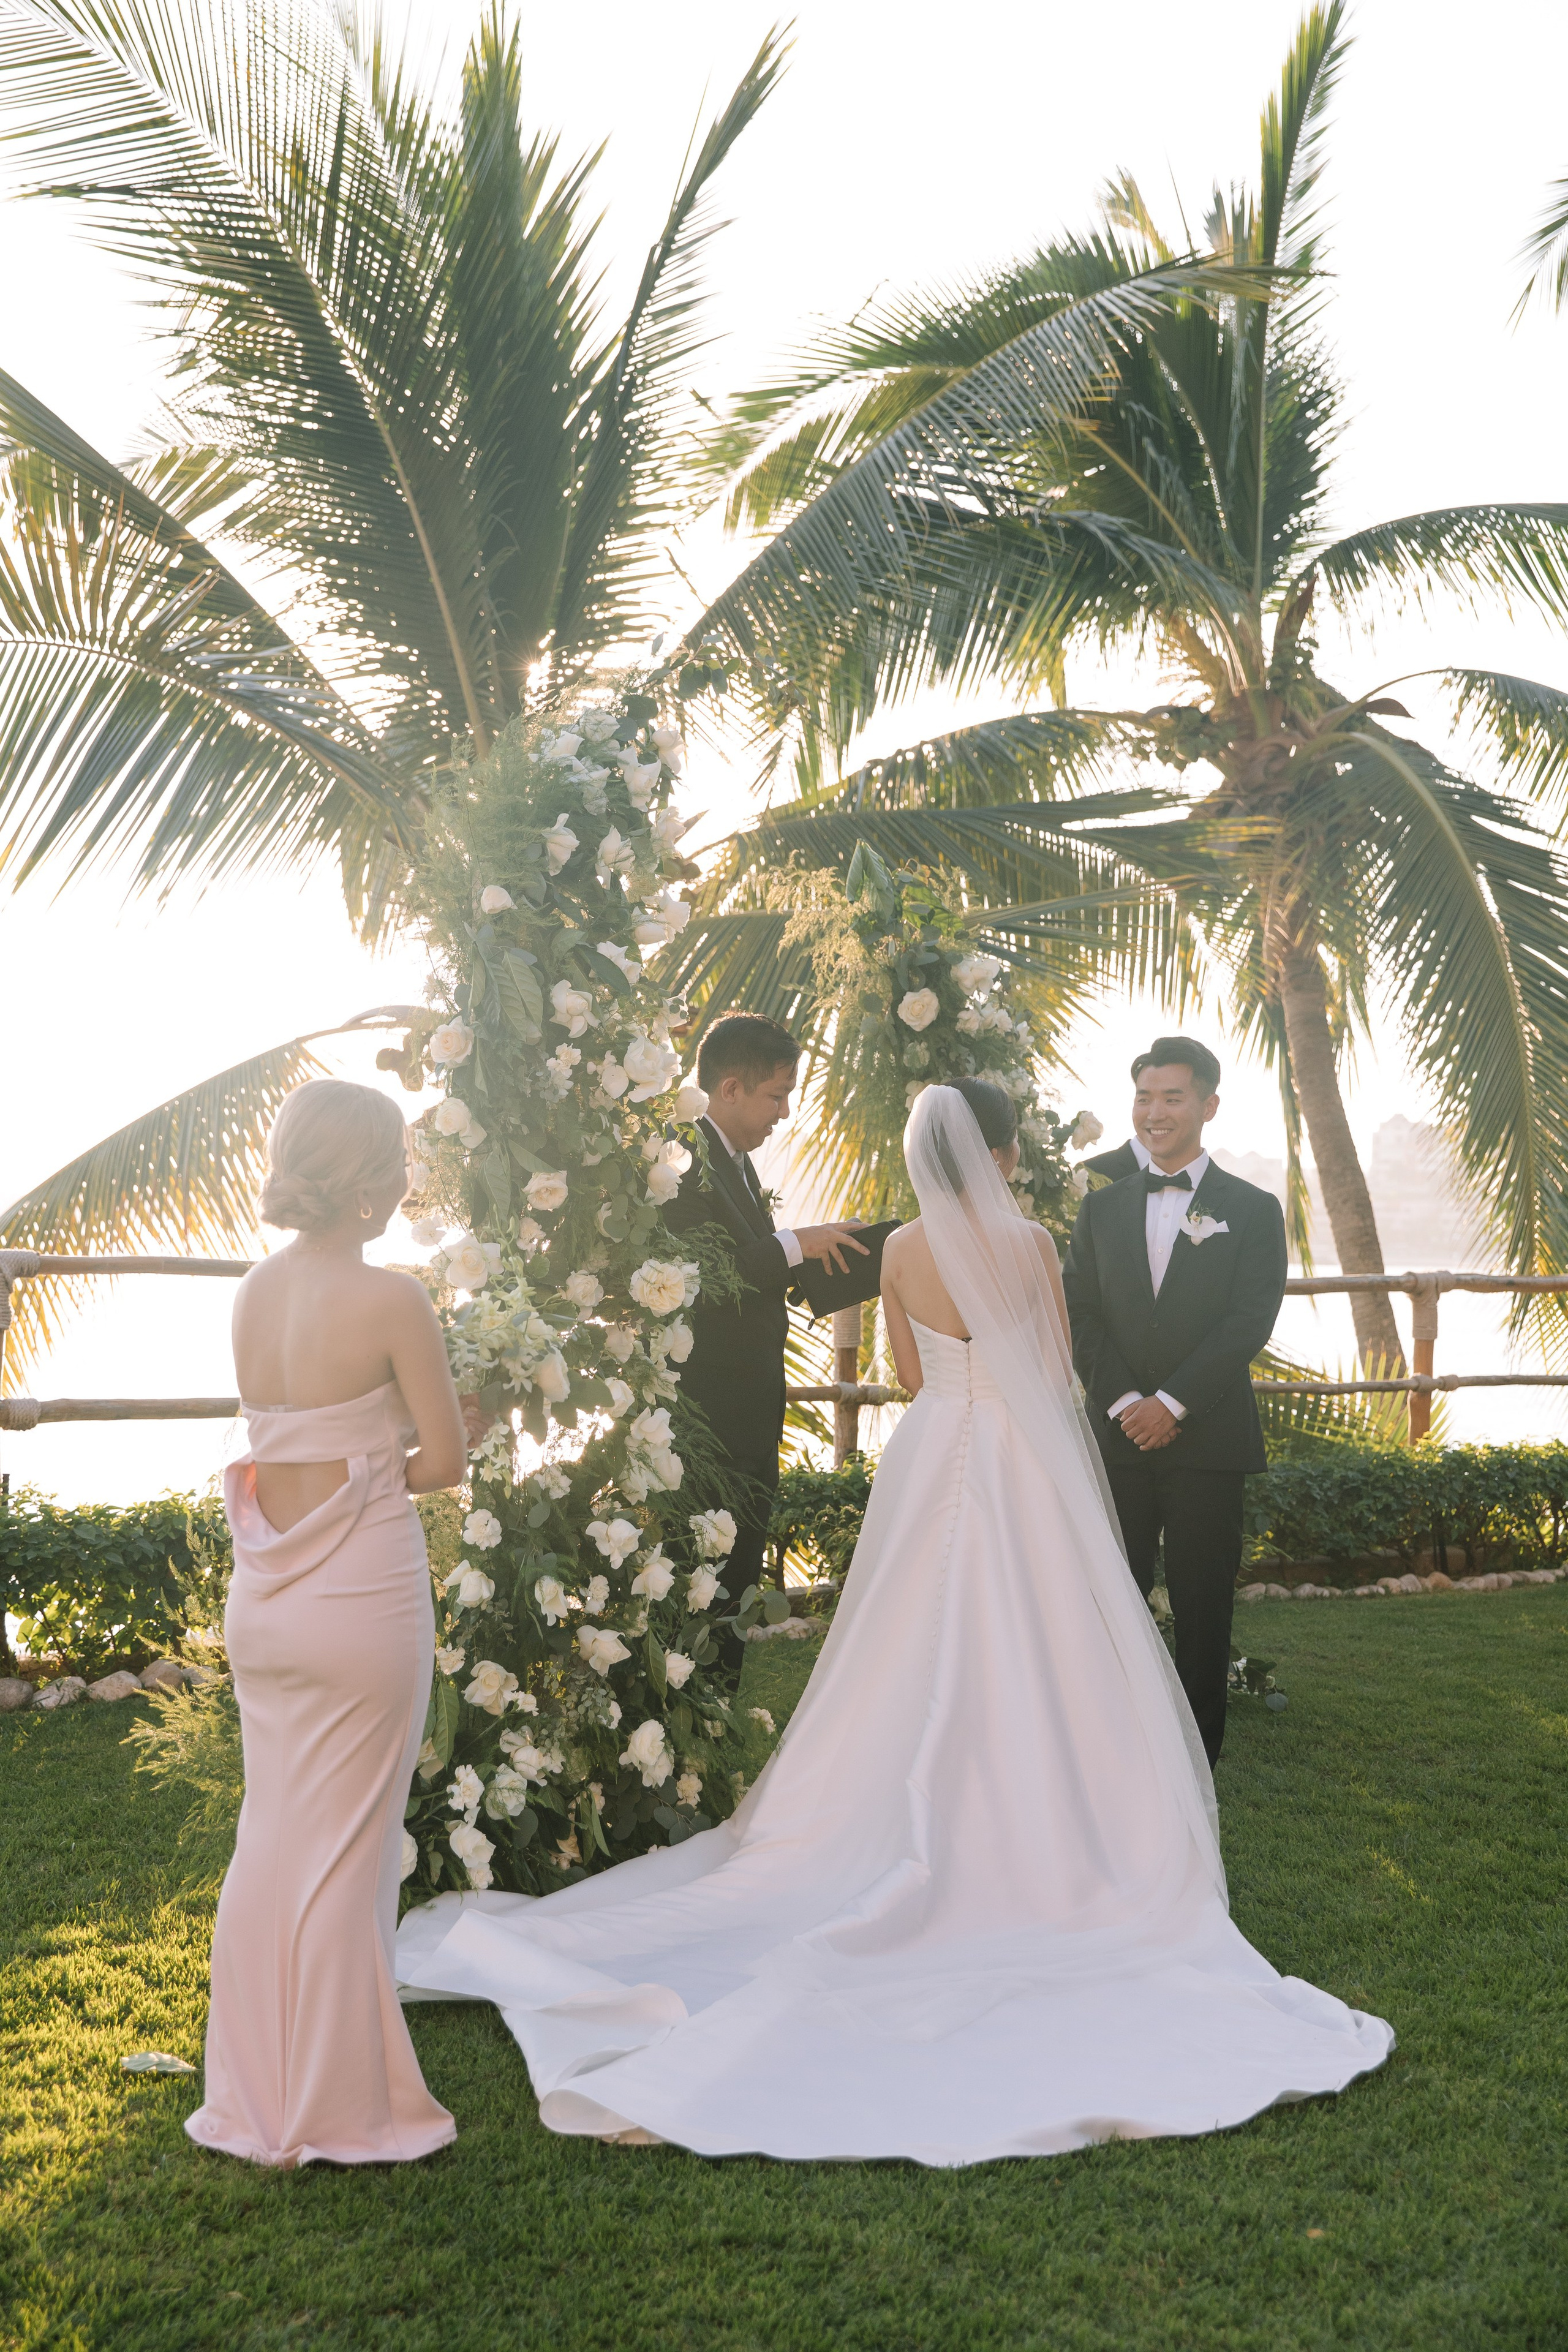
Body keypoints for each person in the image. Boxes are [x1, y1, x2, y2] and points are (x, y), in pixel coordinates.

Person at [396, 1080, 1389, 2162]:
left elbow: (911, 1373)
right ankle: (1044, 1808)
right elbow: (1056, 1367)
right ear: (1001, 1155)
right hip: (1014, 1450)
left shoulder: (904, 1247)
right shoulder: (1033, 1243)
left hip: (934, 1445)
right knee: (1042, 1629)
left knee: (902, 1634)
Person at [186, 1079, 467, 2169]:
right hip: (358, 1599)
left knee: (271, 1839)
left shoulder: (252, 1294)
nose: (404, 1183)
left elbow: (288, 1437)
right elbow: (441, 1463)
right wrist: (459, 1417)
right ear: (364, 1181)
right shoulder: (396, 1301)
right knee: (350, 1856)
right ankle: (337, 2107)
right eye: (396, 1164)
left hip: (266, 1600)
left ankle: (253, 2092)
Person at [1061, 1038, 1287, 1765]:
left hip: (1208, 1441)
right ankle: (1114, 1750)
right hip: (1118, 1439)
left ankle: (1194, 1762)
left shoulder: (1252, 1209)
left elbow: (1247, 1322)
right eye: (1144, 1098)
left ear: (1208, 1105)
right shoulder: (1099, 1210)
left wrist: (1173, 1403)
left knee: (1202, 1608)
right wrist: (1128, 1400)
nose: (1154, 1113)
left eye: (1171, 1098)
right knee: (1110, 1601)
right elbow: (1078, 1314)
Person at [659, 1015, 869, 1627]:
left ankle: (721, 1688)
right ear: (730, 1089)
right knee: (700, 1596)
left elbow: (747, 1272)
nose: (784, 1113)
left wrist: (813, 1264)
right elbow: (701, 1277)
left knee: (735, 1592)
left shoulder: (736, 1161)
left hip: (749, 1417)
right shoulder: (679, 1159)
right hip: (706, 1420)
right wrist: (795, 1243)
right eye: (777, 1096)